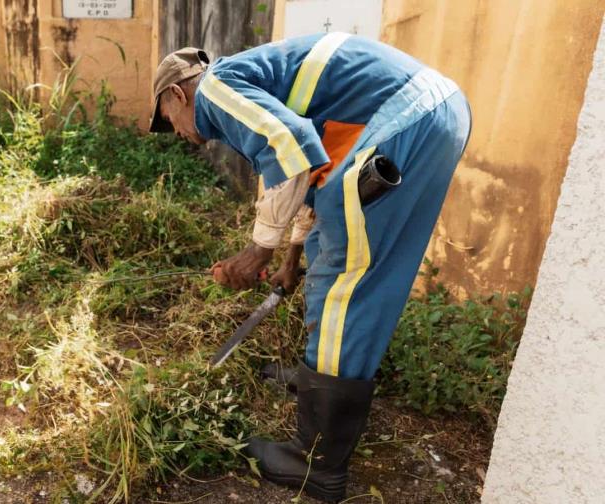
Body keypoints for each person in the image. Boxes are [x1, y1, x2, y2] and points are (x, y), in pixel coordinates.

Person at [149, 33, 471, 502]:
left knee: (349, 280)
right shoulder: (256, 85)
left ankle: (316, 462)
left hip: (406, 121)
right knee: (334, 252)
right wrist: (290, 259)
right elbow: (308, 170)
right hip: (426, 117)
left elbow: (291, 148)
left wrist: (256, 251)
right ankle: (319, 379)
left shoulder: (217, 88)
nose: (175, 132)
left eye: (167, 119)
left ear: (178, 93)